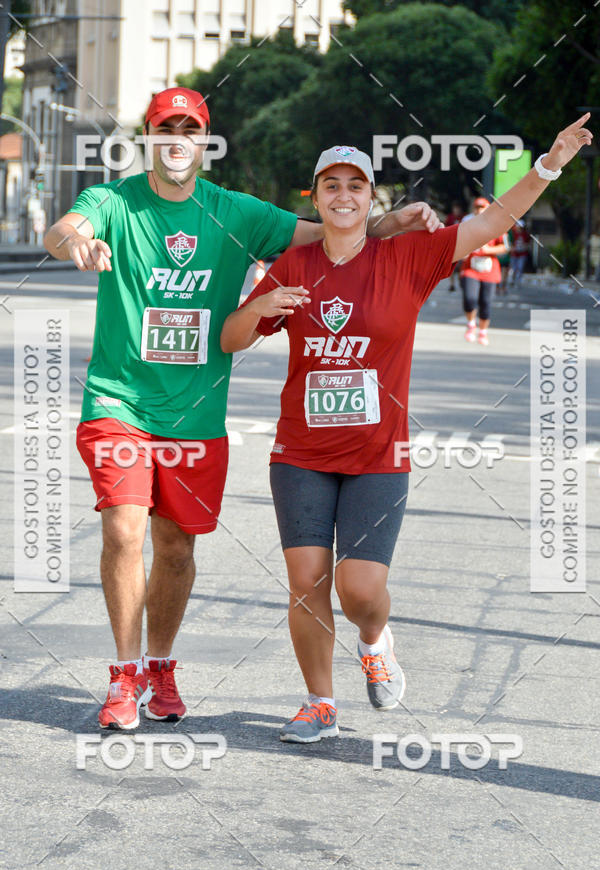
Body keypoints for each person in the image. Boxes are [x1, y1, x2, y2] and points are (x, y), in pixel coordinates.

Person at [43, 87, 442, 731]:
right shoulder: (113, 201)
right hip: (117, 400)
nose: (178, 137)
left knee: (175, 546)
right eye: (165, 127)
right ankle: (122, 678)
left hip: (197, 415)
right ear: (148, 137)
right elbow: (64, 228)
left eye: (190, 128)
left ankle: (160, 669)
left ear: (205, 142)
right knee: (124, 529)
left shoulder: (235, 211)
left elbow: (324, 230)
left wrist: (388, 223)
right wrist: (76, 244)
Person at [221, 114, 592, 743]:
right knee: (308, 581)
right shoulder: (294, 263)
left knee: (359, 589)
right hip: (300, 452)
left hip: (377, 455)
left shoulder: (409, 257)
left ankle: (374, 640)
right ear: (315, 197)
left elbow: (492, 221)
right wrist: (256, 307)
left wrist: (550, 163)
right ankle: (318, 702)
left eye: (355, 186)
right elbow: (230, 340)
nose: (343, 196)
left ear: (372, 199)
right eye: (331, 186)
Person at [460, 197, 507, 346]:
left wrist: (488, 249)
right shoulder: (467, 222)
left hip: (489, 269)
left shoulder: (498, 225)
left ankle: (483, 332)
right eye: (477, 208)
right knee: (470, 298)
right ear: (474, 210)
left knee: (485, 302)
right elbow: (458, 241)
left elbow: (505, 247)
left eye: (483, 207)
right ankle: (471, 324)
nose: (480, 210)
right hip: (470, 267)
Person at [445, 202, 464, 291]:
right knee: (451, 265)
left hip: (461, 244)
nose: (456, 211)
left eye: (458, 209)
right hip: (452, 245)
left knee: (460, 265)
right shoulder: (450, 218)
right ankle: (452, 284)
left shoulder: (464, 218)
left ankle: (461, 280)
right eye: (455, 209)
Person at [509, 220, 531, 288]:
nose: (518, 228)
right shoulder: (513, 234)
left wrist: (525, 246)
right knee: (513, 268)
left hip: (523, 254)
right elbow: (510, 242)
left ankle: (518, 281)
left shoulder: (525, 234)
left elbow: (528, 243)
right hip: (514, 253)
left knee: (520, 267)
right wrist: (512, 248)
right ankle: (512, 280)